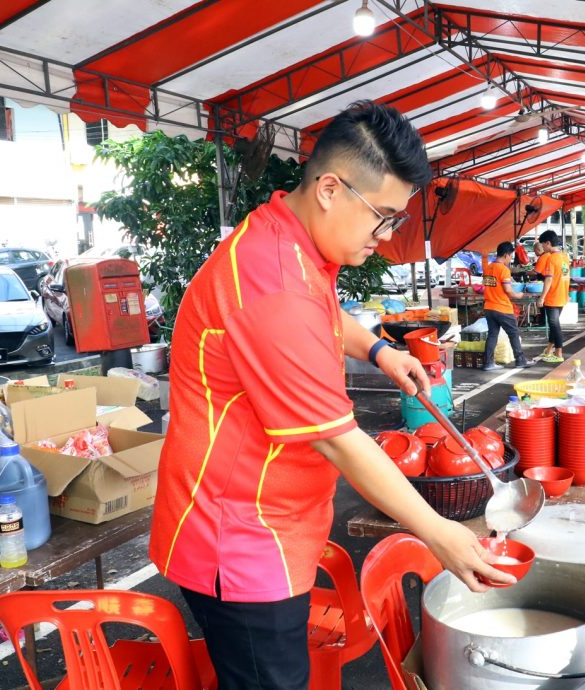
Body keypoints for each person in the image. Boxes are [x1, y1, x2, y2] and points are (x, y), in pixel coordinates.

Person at [148, 101, 513, 690]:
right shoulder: (274, 284)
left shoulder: (290, 239)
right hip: (240, 540)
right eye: (383, 217)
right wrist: (439, 533)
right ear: (329, 189)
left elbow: (322, 311)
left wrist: (380, 351)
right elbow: (339, 440)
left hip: (272, 523)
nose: (386, 236)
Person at [481, 241, 534, 371]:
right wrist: (519, 295)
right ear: (506, 255)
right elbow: (508, 291)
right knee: (513, 333)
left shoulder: (488, 267)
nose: (510, 259)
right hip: (502, 308)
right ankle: (520, 360)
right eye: (511, 256)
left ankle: (488, 363)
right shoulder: (503, 270)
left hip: (489, 307)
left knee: (492, 334)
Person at [535, 230, 570, 363]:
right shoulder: (564, 256)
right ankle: (549, 349)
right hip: (562, 295)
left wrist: (542, 297)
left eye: (543, 245)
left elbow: (548, 279)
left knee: (554, 325)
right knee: (553, 324)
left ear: (548, 243)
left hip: (553, 296)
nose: (543, 248)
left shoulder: (551, 258)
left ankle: (559, 353)